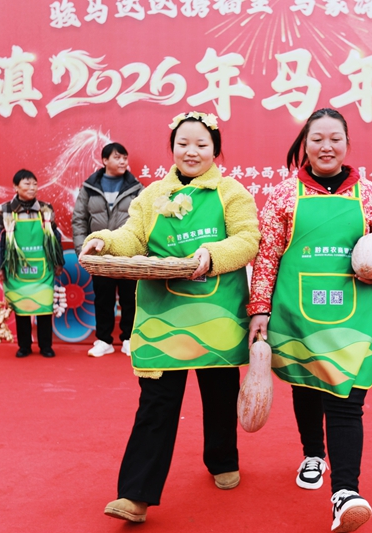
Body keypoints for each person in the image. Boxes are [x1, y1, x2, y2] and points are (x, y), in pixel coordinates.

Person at [79, 111, 260, 523]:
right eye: (183, 144)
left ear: (216, 148)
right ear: (172, 148)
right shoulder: (151, 195)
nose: (191, 152)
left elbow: (248, 238)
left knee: (219, 393)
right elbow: (133, 237)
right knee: (156, 403)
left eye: (201, 144)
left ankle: (221, 458)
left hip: (216, 313)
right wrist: (104, 241)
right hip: (163, 317)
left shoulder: (231, 191)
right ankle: (135, 494)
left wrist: (211, 255)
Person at [247, 108, 372, 533]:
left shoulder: (369, 194)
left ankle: (345, 492)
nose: (326, 146)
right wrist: (260, 307)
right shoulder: (283, 194)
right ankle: (313, 452)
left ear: (347, 144)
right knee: (307, 384)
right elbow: (267, 256)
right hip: (297, 310)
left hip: (354, 313)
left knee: (347, 398)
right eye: (317, 139)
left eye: (335, 138)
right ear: (305, 144)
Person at [72, 142, 143, 357]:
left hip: (128, 254)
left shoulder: (137, 188)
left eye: (125, 157)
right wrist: (83, 251)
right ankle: (104, 340)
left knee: (130, 297)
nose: (123, 161)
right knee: (103, 298)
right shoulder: (89, 187)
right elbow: (79, 220)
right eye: (117, 157)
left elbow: (144, 220)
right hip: (99, 255)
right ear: (104, 160)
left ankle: (129, 339)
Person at [0, 169, 64, 358]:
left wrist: (58, 262)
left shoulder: (46, 208)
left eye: (34, 184)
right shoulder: (5, 209)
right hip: (16, 267)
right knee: (21, 307)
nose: (32, 188)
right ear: (15, 186)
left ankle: (46, 346)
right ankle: (24, 346)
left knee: (44, 306)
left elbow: (55, 236)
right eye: (27, 184)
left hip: (43, 266)